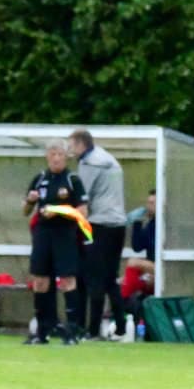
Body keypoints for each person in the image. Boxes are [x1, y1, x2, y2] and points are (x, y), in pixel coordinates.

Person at [23, 139, 88, 345]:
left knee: (67, 281)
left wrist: (58, 211)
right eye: (53, 154)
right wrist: (30, 201)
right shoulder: (40, 178)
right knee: (40, 281)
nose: (56, 158)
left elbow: (83, 212)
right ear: (47, 156)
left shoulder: (72, 180)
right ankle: (42, 331)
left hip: (65, 235)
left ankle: (72, 331)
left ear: (66, 157)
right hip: (42, 234)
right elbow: (25, 210)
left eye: (60, 154)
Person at [68, 129, 128, 341]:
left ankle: (92, 330)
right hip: (118, 224)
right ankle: (121, 328)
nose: (70, 150)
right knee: (110, 278)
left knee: (94, 278)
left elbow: (82, 195)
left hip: (100, 223)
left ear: (81, 144)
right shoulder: (108, 158)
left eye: (72, 145)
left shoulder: (89, 163)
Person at [121, 189, 157, 308]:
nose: (148, 207)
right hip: (152, 268)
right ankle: (128, 307)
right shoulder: (151, 224)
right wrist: (137, 223)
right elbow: (137, 247)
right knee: (123, 280)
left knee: (132, 263)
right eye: (148, 203)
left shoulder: (165, 224)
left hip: (164, 267)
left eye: (152, 203)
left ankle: (123, 304)